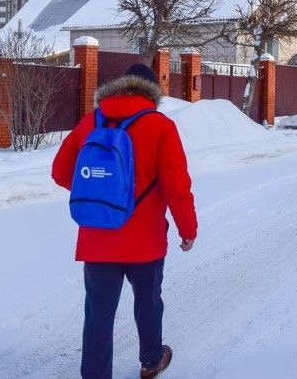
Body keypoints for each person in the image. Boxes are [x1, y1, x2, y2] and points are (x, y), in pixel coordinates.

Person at [52, 63, 198, 379]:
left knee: (98, 314)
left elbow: (61, 172)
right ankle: (151, 360)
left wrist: (101, 193)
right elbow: (177, 186)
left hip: (97, 237)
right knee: (148, 303)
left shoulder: (91, 121)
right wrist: (188, 230)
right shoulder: (160, 126)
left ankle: (94, 374)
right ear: (151, 94)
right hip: (145, 240)